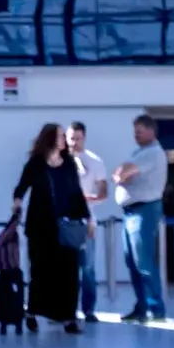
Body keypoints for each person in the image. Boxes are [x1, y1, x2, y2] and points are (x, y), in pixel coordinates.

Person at [13, 123, 91, 335]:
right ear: (49, 138)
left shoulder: (68, 163)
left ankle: (68, 317)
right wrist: (18, 201)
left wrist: (87, 217)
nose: (63, 140)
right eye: (59, 136)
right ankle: (32, 312)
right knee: (41, 271)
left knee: (68, 271)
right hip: (40, 226)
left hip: (66, 225)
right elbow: (21, 186)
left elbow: (76, 192)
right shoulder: (36, 163)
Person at [114, 114, 169, 323]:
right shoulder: (139, 152)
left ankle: (156, 309)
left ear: (151, 131)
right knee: (133, 262)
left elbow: (124, 172)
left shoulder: (152, 153)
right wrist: (122, 173)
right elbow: (119, 172)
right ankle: (141, 306)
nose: (135, 135)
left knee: (143, 261)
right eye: (134, 132)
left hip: (144, 211)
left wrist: (123, 174)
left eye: (139, 131)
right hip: (131, 212)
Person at [68, 122, 108, 323]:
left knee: (88, 268)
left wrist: (88, 199)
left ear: (84, 137)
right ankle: (65, 309)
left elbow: (103, 193)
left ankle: (89, 309)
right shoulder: (59, 161)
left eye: (78, 138)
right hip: (65, 222)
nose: (74, 142)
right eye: (71, 138)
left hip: (86, 221)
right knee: (65, 267)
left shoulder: (95, 161)